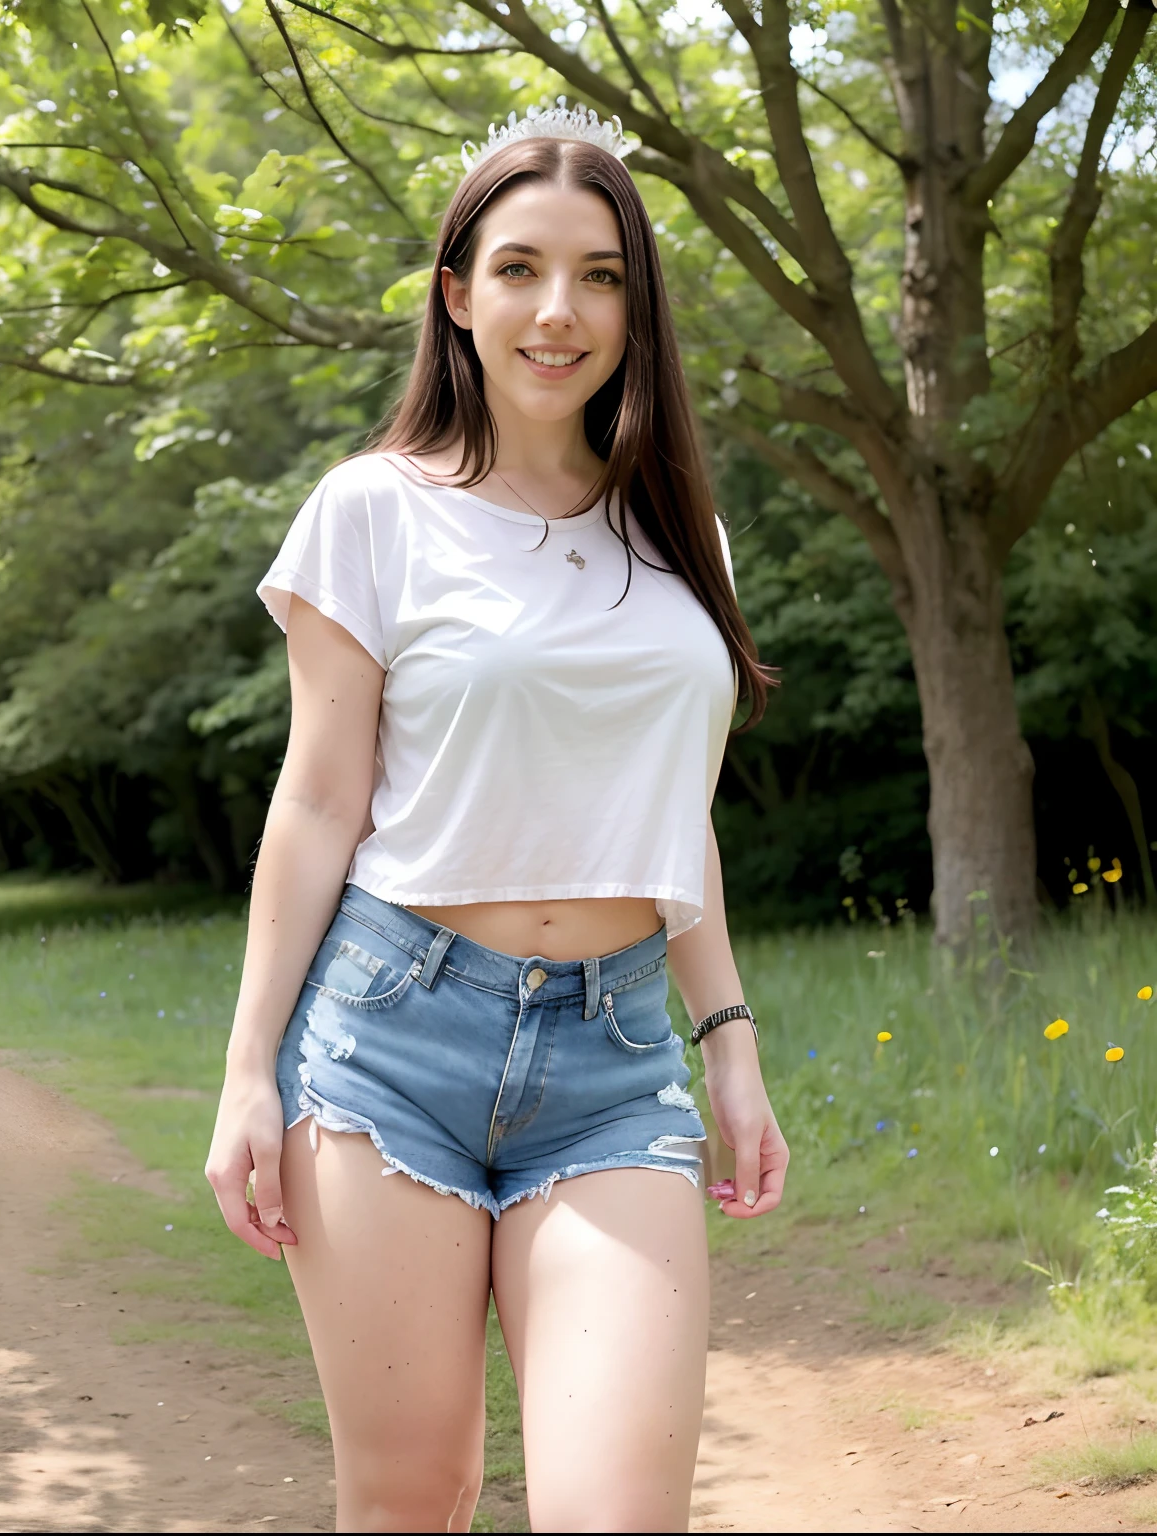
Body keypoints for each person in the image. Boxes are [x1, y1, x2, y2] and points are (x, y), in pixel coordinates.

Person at [204, 104, 790, 1533]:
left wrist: (733, 1050)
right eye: (521, 269)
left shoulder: (681, 538)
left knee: (615, 1512)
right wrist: (246, 1073)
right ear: (457, 296)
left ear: (634, 308)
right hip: (388, 1042)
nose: (559, 310)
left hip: (614, 1061)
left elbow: (674, 818)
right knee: (415, 1498)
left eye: (599, 275)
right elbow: (321, 798)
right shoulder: (373, 511)